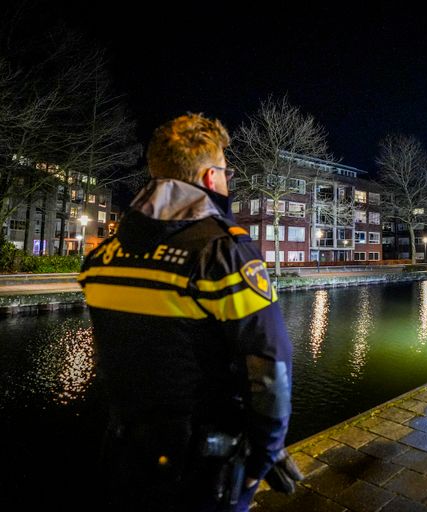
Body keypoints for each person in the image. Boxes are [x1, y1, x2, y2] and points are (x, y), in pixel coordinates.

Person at [78, 113, 302, 511]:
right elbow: (271, 370)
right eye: (226, 172)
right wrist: (264, 456)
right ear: (210, 177)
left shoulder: (102, 257)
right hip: (201, 470)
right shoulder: (223, 254)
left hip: (122, 456)